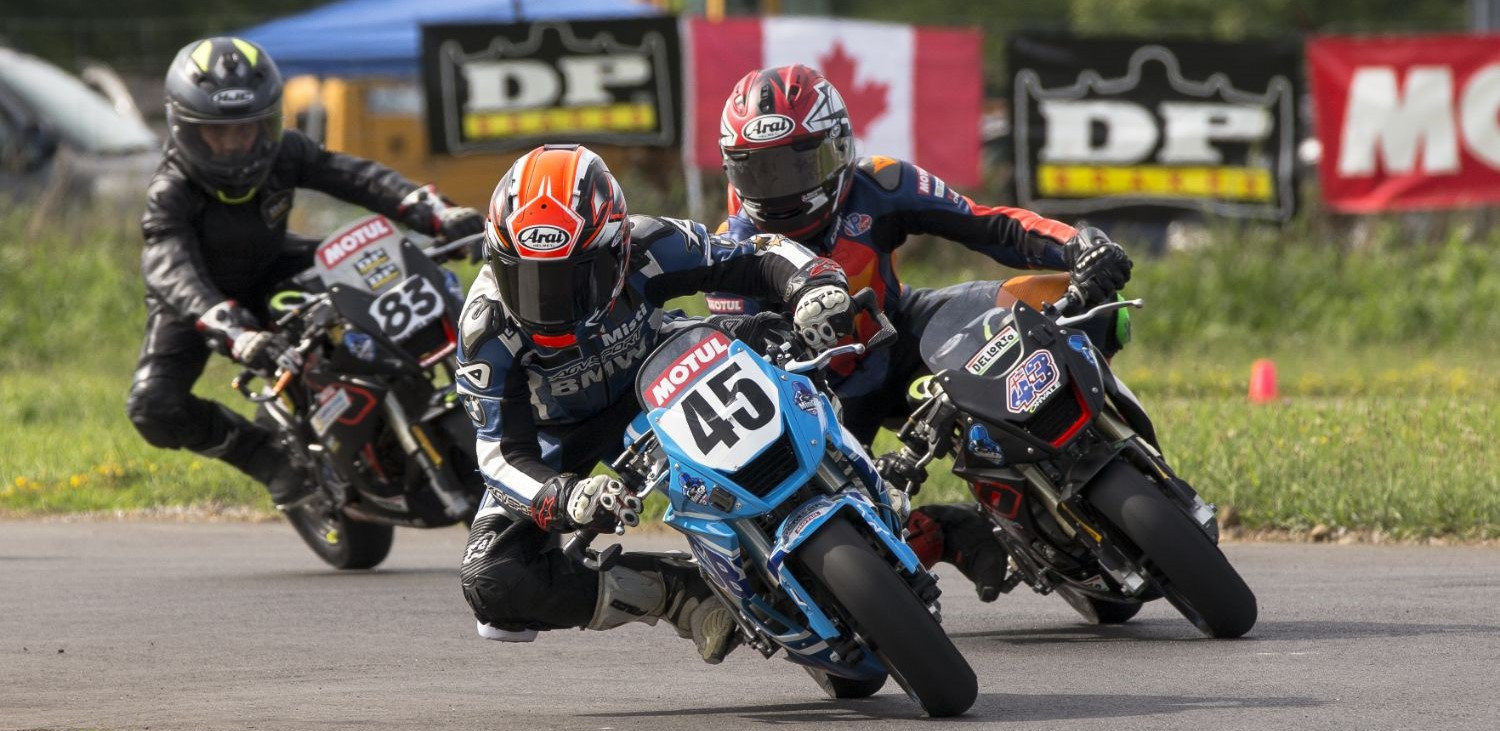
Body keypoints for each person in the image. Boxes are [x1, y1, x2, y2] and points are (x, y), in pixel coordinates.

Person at [712, 64, 1135, 601]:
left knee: (1058, 303)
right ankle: (948, 533)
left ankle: (1100, 429)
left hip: (904, 332)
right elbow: (738, 359)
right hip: (823, 396)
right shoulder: (731, 249)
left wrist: (1079, 245)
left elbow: (989, 224)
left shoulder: (879, 182)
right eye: (760, 172)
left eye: (799, 165)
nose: (779, 190)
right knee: (828, 557)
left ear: (839, 146)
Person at [456, 143, 853, 664]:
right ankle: (679, 595)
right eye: (527, 279)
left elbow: (756, 254)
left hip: (663, 365)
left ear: (617, 250)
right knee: (492, 579)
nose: (550, 305)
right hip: (559, 436)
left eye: (575, 278)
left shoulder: (650, 244)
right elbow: (499, 456)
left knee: (778, 335)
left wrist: (811, 284)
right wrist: (563, 494)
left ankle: (842, 462)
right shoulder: (484, 329)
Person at [126, 37, 485, 507]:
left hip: (276, 268)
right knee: (153, 406)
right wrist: (228, 327)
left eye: (248, 129)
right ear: (185, 129)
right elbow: (169, 267)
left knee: (378, 270)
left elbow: (357, 176)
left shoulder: (286, 152)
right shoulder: (170, 192)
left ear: (271, 123)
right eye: (219, 133)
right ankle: (265, 455)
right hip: (201, 301)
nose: (235, 146)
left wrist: (434, 213)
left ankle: (424, 395)